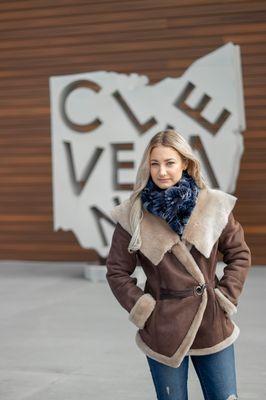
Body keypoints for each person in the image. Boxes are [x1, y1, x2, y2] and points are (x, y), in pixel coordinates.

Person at [105, 129, 251, 400]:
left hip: (212, 322)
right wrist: (145, 310)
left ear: (185, 163)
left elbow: (239, 254)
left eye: (170, 163)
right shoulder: (134, 214)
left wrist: (226, 297)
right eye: (155, 163)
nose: (162, 172)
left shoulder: (213, 206)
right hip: (164, 327)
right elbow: (116, 271)